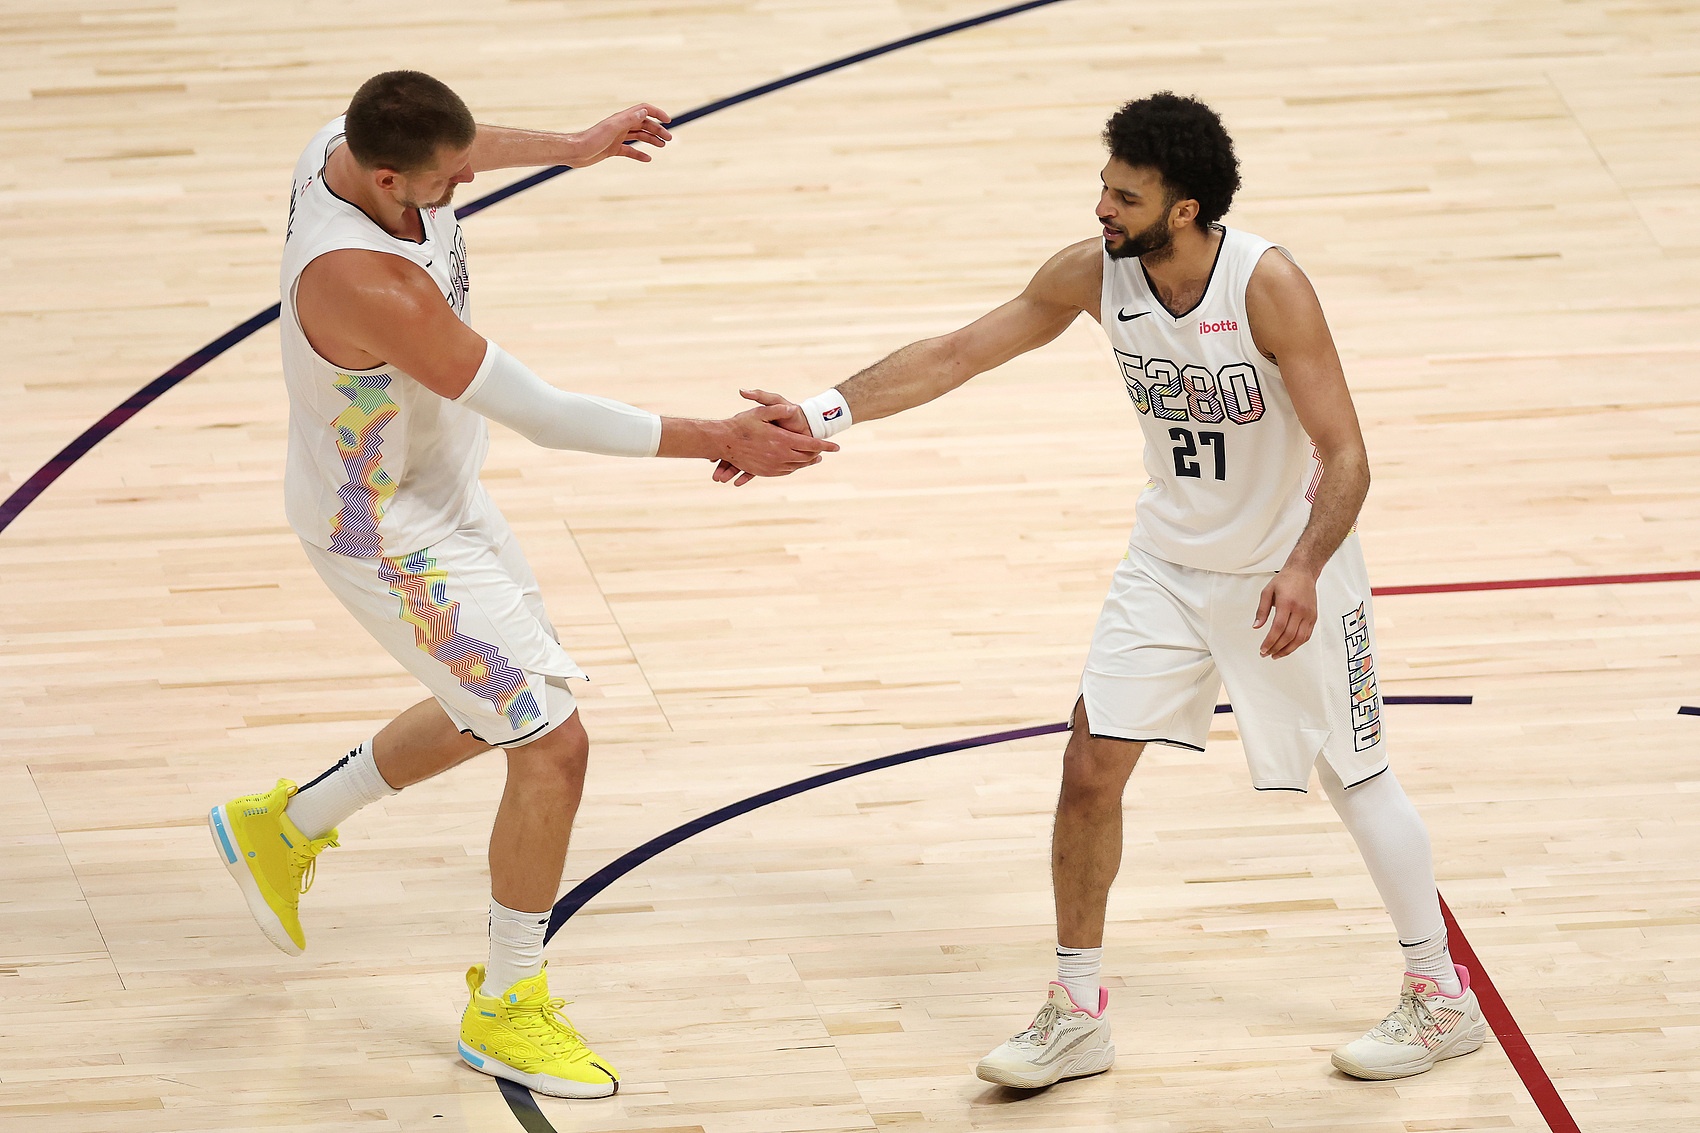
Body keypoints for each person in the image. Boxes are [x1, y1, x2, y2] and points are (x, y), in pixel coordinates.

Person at [739, 91, 1487, 1088]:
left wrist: (1307, 565)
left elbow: (1346, 451)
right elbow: (958, 352)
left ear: (1185, 209)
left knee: (1355, 778)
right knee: (1089, 766)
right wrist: (821, 409)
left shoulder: (1265, 285)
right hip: (1167, 567)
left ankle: (1440, 997)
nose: (1101, 206)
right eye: (1103, 186)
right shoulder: (1095, 273)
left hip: (1286, 570)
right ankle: (1076, 1010)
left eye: (1123, 195)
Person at [207, 70, 834, 1100]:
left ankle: (284, 825)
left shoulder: (347, 142)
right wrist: (720, 437)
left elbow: (456, 143)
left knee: (502, 703)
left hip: (439, 491)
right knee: (550, 741)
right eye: (447, 179)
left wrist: (572, 146)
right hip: (384, 535)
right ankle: (506, 1003)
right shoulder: (366, 282)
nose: (464, 184)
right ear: (386, 179)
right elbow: (544, 412)